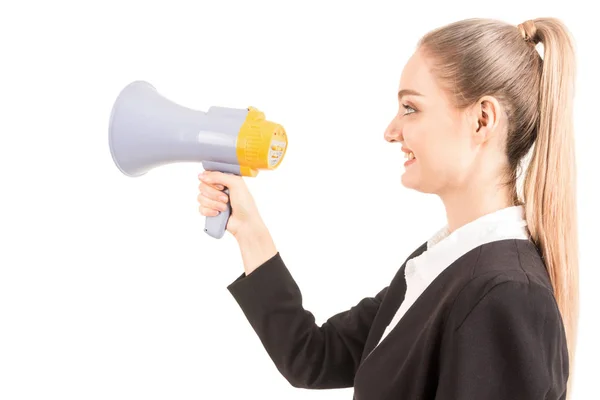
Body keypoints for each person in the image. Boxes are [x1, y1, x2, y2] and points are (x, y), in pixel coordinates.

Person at [197, 16, 579, 400]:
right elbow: (313, 356)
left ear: (482, 120)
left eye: (410, 108)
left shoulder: (506, 294)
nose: (391, 130)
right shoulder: (444, 263)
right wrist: (249, 229)